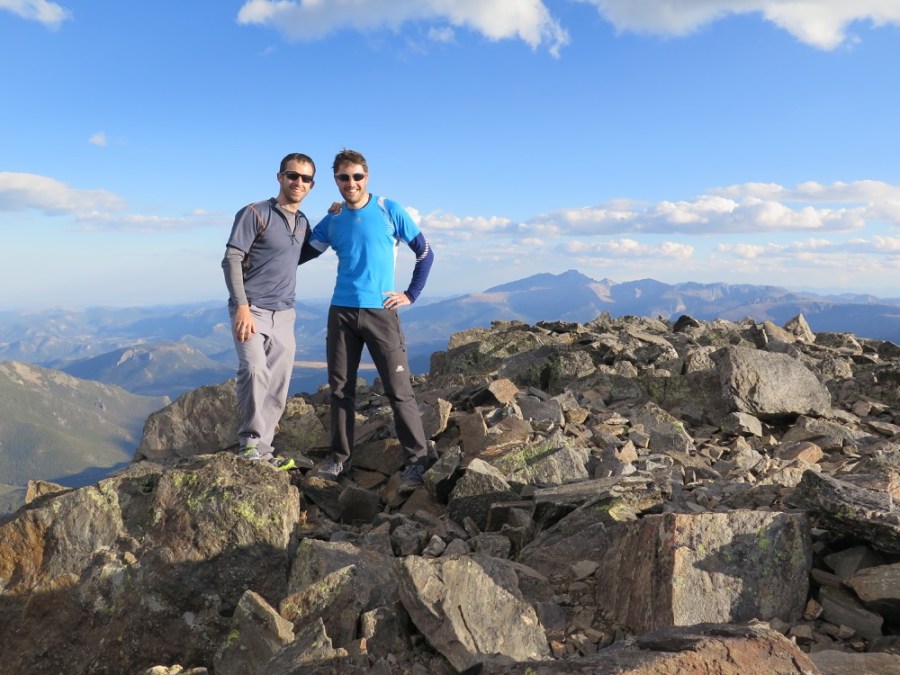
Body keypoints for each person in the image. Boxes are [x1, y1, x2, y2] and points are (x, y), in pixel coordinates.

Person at [303, 148, 435, 490]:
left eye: (357, 176)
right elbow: (301, 253)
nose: (351, 183)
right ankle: (339, 459)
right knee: (340, 390)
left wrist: (411, 294)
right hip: (341, 312)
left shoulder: (389, 209)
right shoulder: (333, 220)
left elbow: (424, 252)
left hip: (381, 312)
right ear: (335, 180)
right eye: (344, 177)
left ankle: (417, 461)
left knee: (398, 390)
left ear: (367, 177)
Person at [221, 152, 319, 471]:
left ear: (311, 185)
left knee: (278, 383)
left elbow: (299, 255)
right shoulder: (255, 213)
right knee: (254, 370)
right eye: (293, 175)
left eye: (305, 178)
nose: (298, 182)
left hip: (285, 314)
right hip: (252, 310)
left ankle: (264, 451)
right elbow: (232, 259)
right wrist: (241, 307)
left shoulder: (302, 222)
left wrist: (335, 219)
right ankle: (249, 445)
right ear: (280, 177)